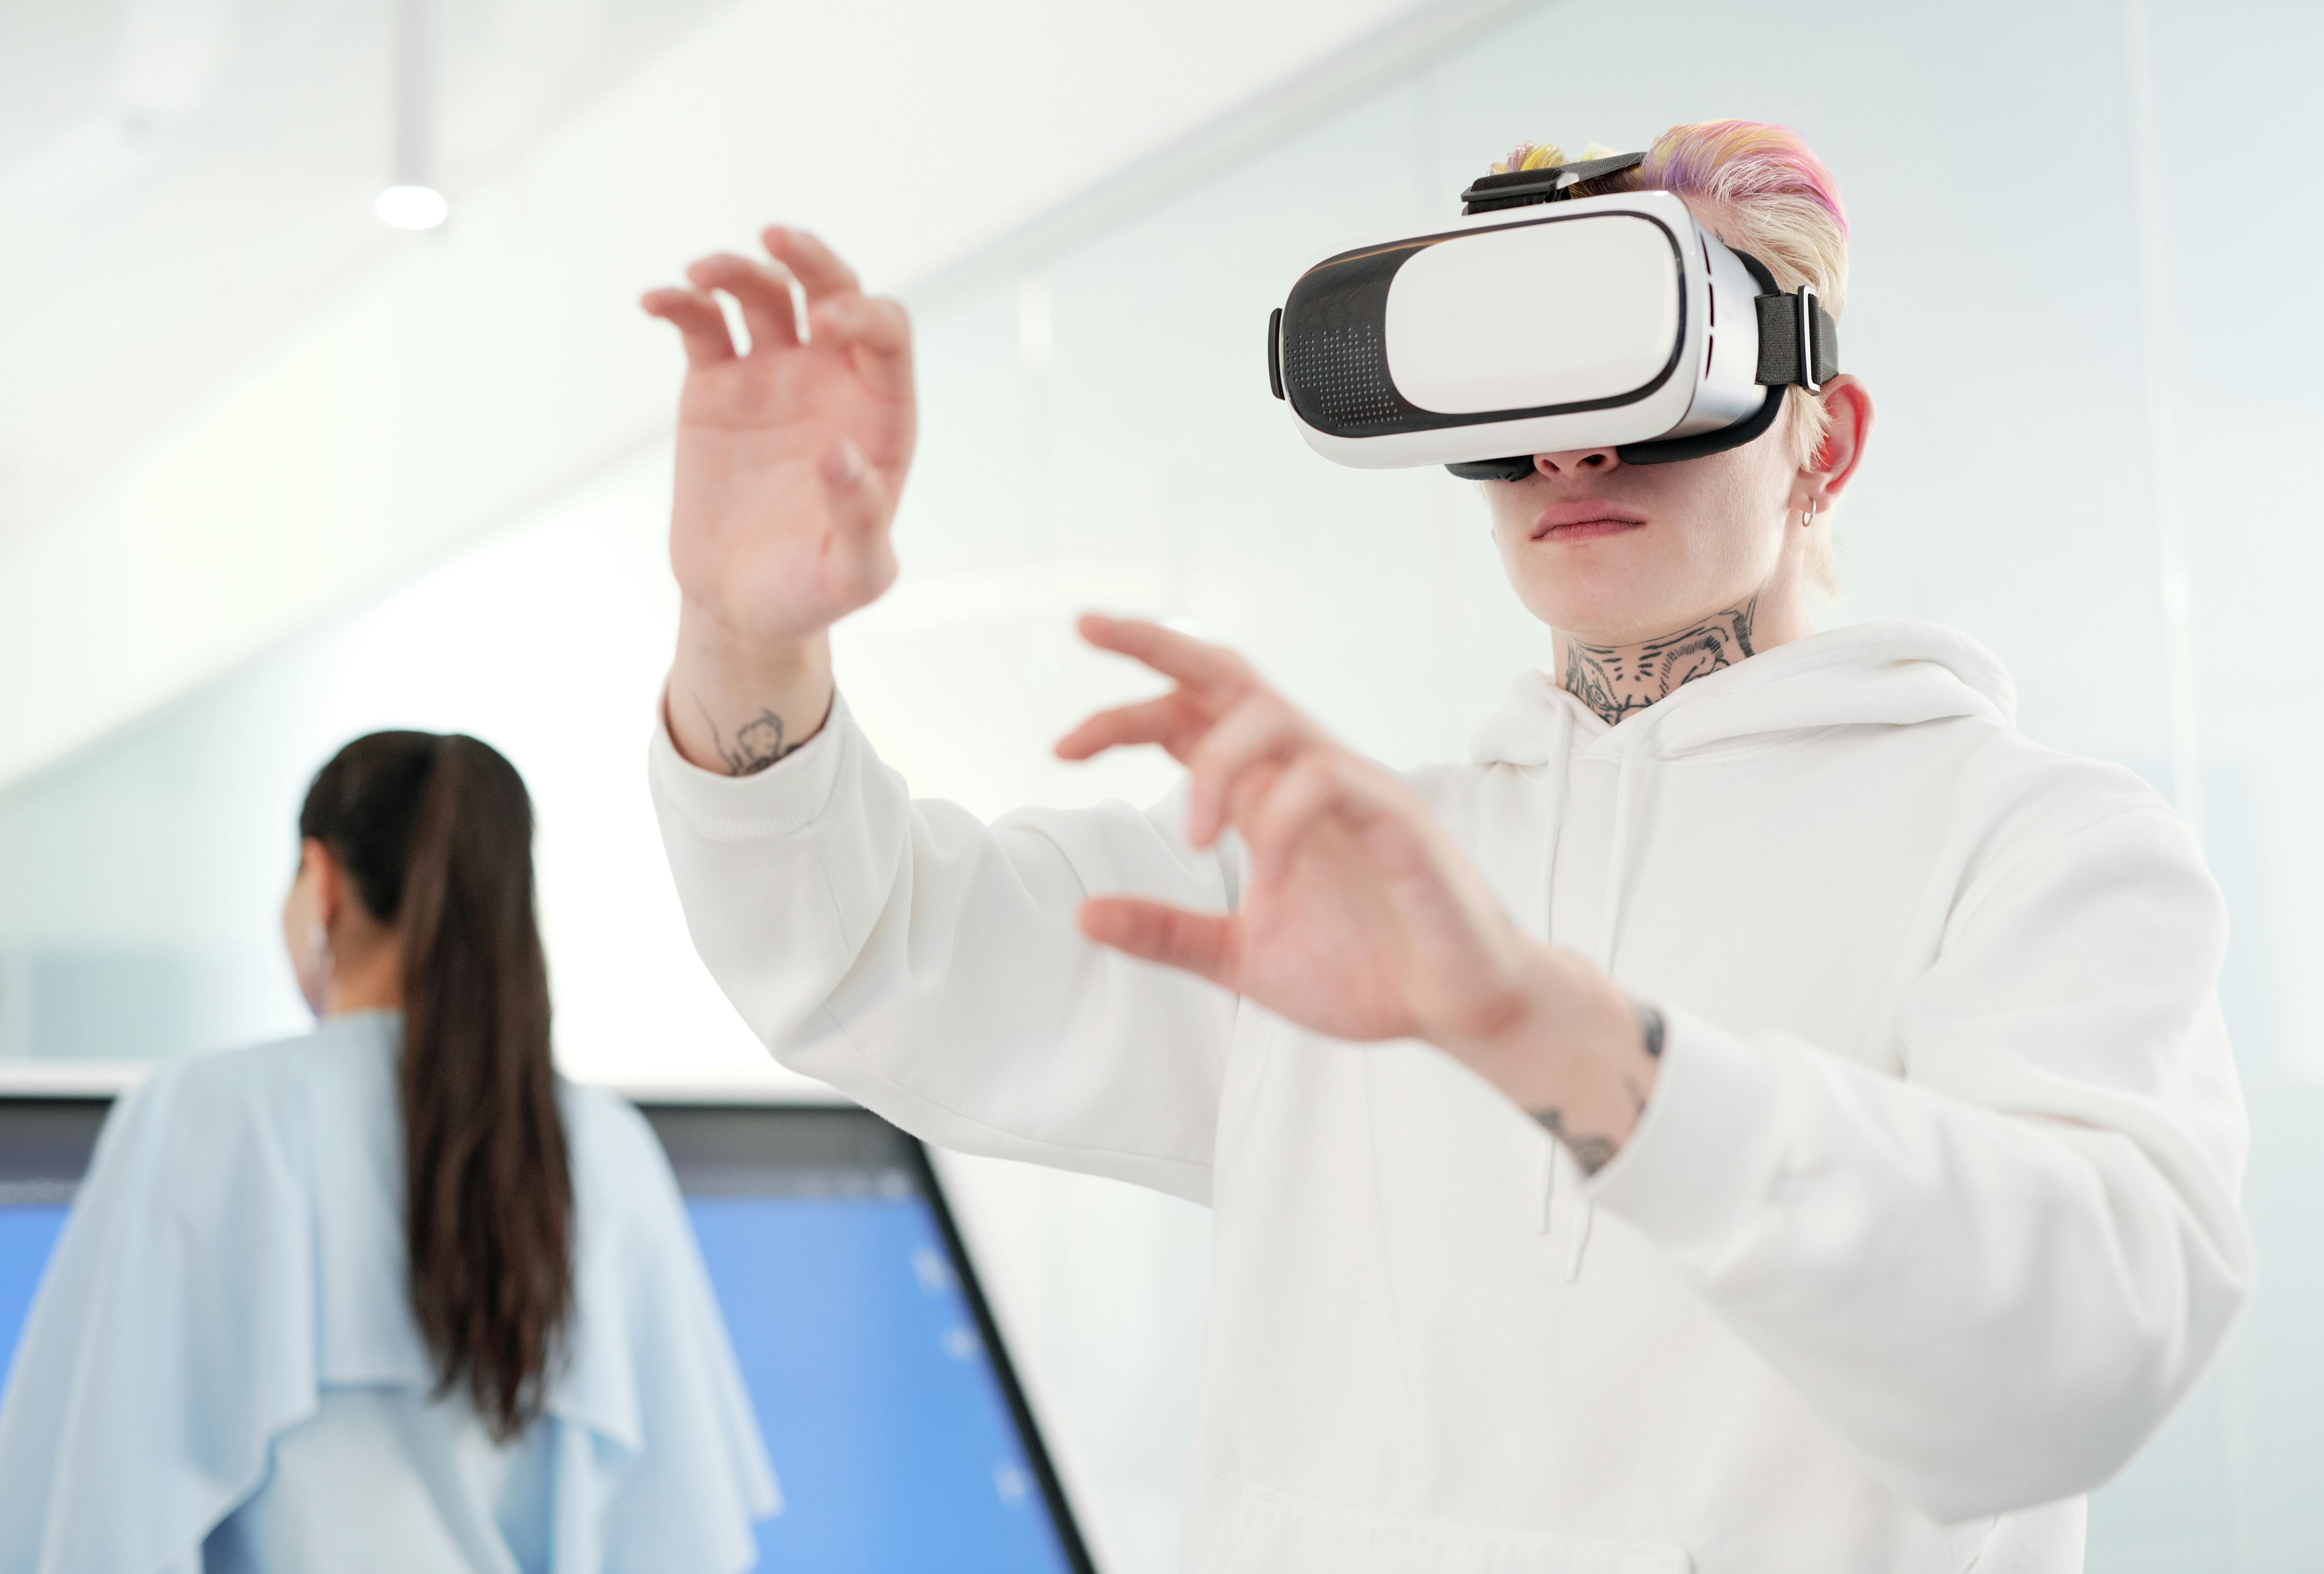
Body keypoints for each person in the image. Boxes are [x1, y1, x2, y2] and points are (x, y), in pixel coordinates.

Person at [639, 120, 2250, 1572]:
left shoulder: (2034, 845)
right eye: (1526, 388)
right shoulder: (1348, 866)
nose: (1573, 451)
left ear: (1820, 444)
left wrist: (1546, 1030)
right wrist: (743, 637)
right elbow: (877, 952)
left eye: (1648, 376)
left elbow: (2086, 1346)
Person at [0, 732, 779, 1574]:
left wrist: (27, 1518)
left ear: (321, 886)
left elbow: (102, 1536)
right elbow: (684, 1538)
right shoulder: (606, 1151)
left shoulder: (215, 1117)